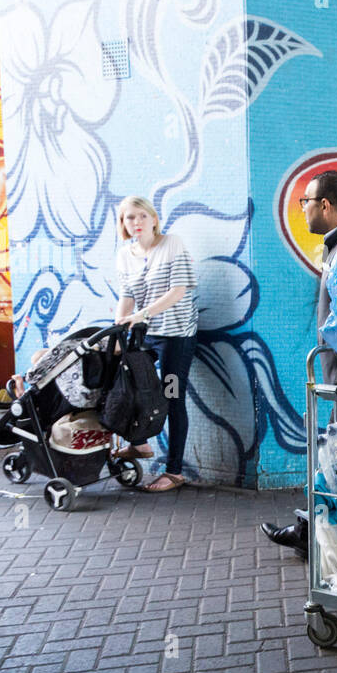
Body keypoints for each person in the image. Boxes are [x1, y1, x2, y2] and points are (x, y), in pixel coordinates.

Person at [262, 170, 337, 558]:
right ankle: (312, 531)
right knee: (336, 461)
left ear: (325, 205)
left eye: (306, 201)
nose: (302, 209)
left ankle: (316, 537)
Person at [112, 195, 198, 492]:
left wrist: (142, 314)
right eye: (128, 218)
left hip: (176, 338)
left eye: (140, 216)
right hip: (143, 335)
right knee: (129, 385)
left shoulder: (171, 244)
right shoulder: (125, 255)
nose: (135, 222)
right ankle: (140, 445)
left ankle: (174, 471)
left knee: (172, 396)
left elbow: (178, 291)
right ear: (122, 224)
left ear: (153, 218)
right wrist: (118, 331)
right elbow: (127, 296)